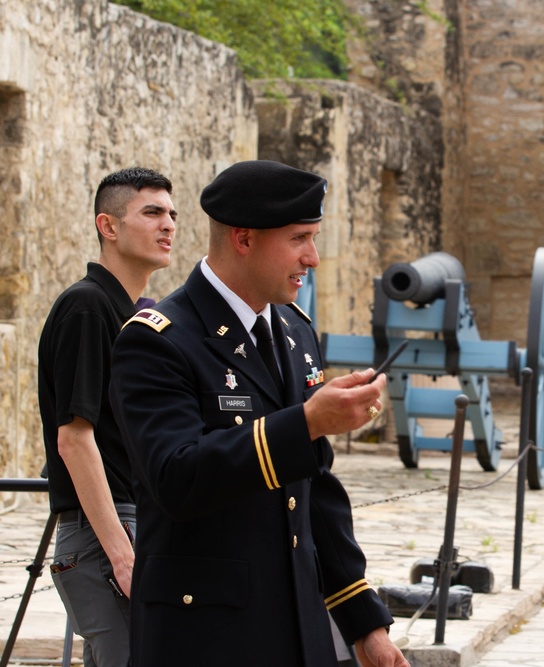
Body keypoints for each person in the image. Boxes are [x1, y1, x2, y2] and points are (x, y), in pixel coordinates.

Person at [109, 160, 408, 667]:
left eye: (313, 238)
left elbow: (315, 491)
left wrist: (365, 625)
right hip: (205, 636)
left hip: (297, 626)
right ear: (244, 239)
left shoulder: (295, 332)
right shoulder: (157, 339)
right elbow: (177, 476)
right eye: (299, 239)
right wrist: (308, 422)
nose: (312, 258)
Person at [37, 167, 177, 667]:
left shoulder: (137, 313)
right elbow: (74, 439)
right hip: (106, 535)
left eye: (172, 214)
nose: (169, 225)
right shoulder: (88, 307)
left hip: (134, 526)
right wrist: (122, 555)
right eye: (152, 212)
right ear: (109, 226)